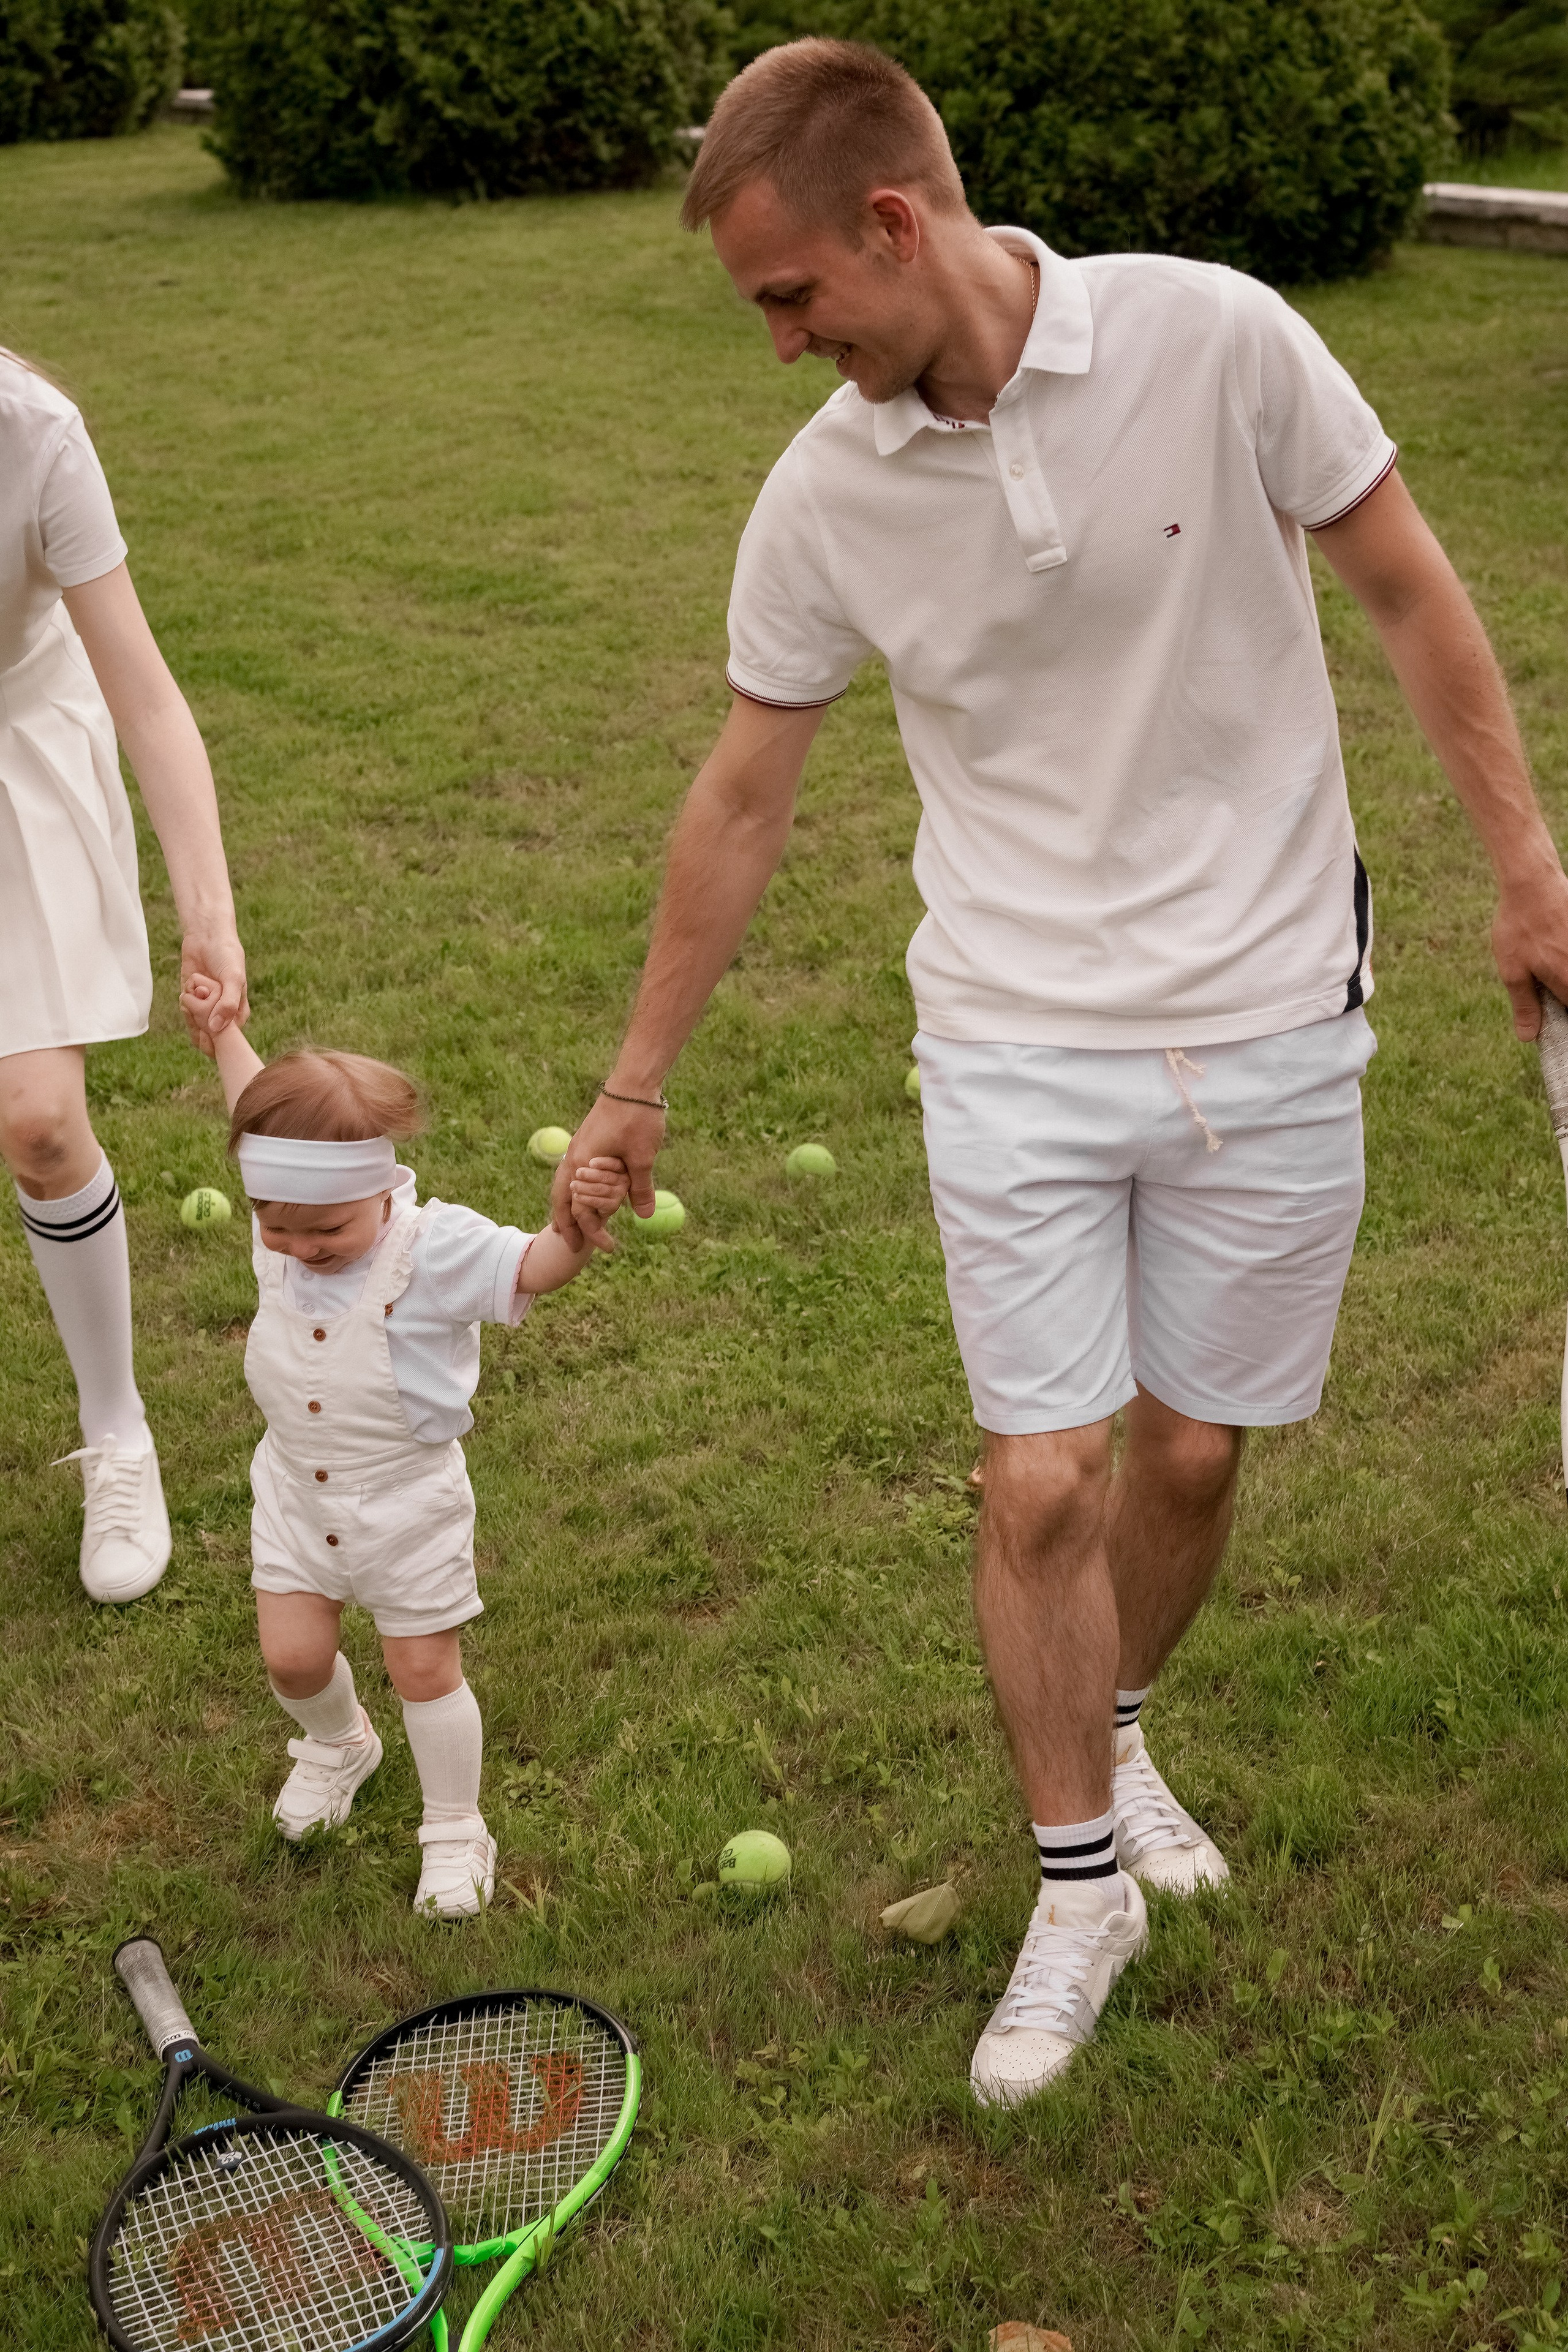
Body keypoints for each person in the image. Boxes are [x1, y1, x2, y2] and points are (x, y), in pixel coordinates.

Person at [552, 42, 1568, 2100]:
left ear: (895, 227)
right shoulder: (826, 493)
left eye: (790, 296)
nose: (779, 345)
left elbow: (1405, 588)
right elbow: (745, 793)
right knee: (1042, 1480)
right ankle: (1076, 1879)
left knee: (1194, 1458)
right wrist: (635, 1079)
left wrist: (1530, 867)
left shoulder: (1216, 341)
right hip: (1010, 1028)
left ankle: (1108, 1727)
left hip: (1277, 1001)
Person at [183, 977, 628, 1917]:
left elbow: (531, 1269)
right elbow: (254, 1111)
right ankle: (339, 1742)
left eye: (328, 1231)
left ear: (381, 1190)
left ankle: (456, 1825)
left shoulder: (434, 1250)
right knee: (293, 1660)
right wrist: (227, 1032)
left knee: (424, 1669)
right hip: (297, 1495)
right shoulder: (291, 1217)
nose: (298, 1249)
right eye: (276, 1225)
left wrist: (575, 1232)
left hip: (405, 1502)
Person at [0, 347, 248, 1604]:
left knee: (39, 1121)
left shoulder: (35, 435)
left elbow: (143, 696)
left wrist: (207, 911)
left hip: (15, 747)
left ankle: (117, 1432)